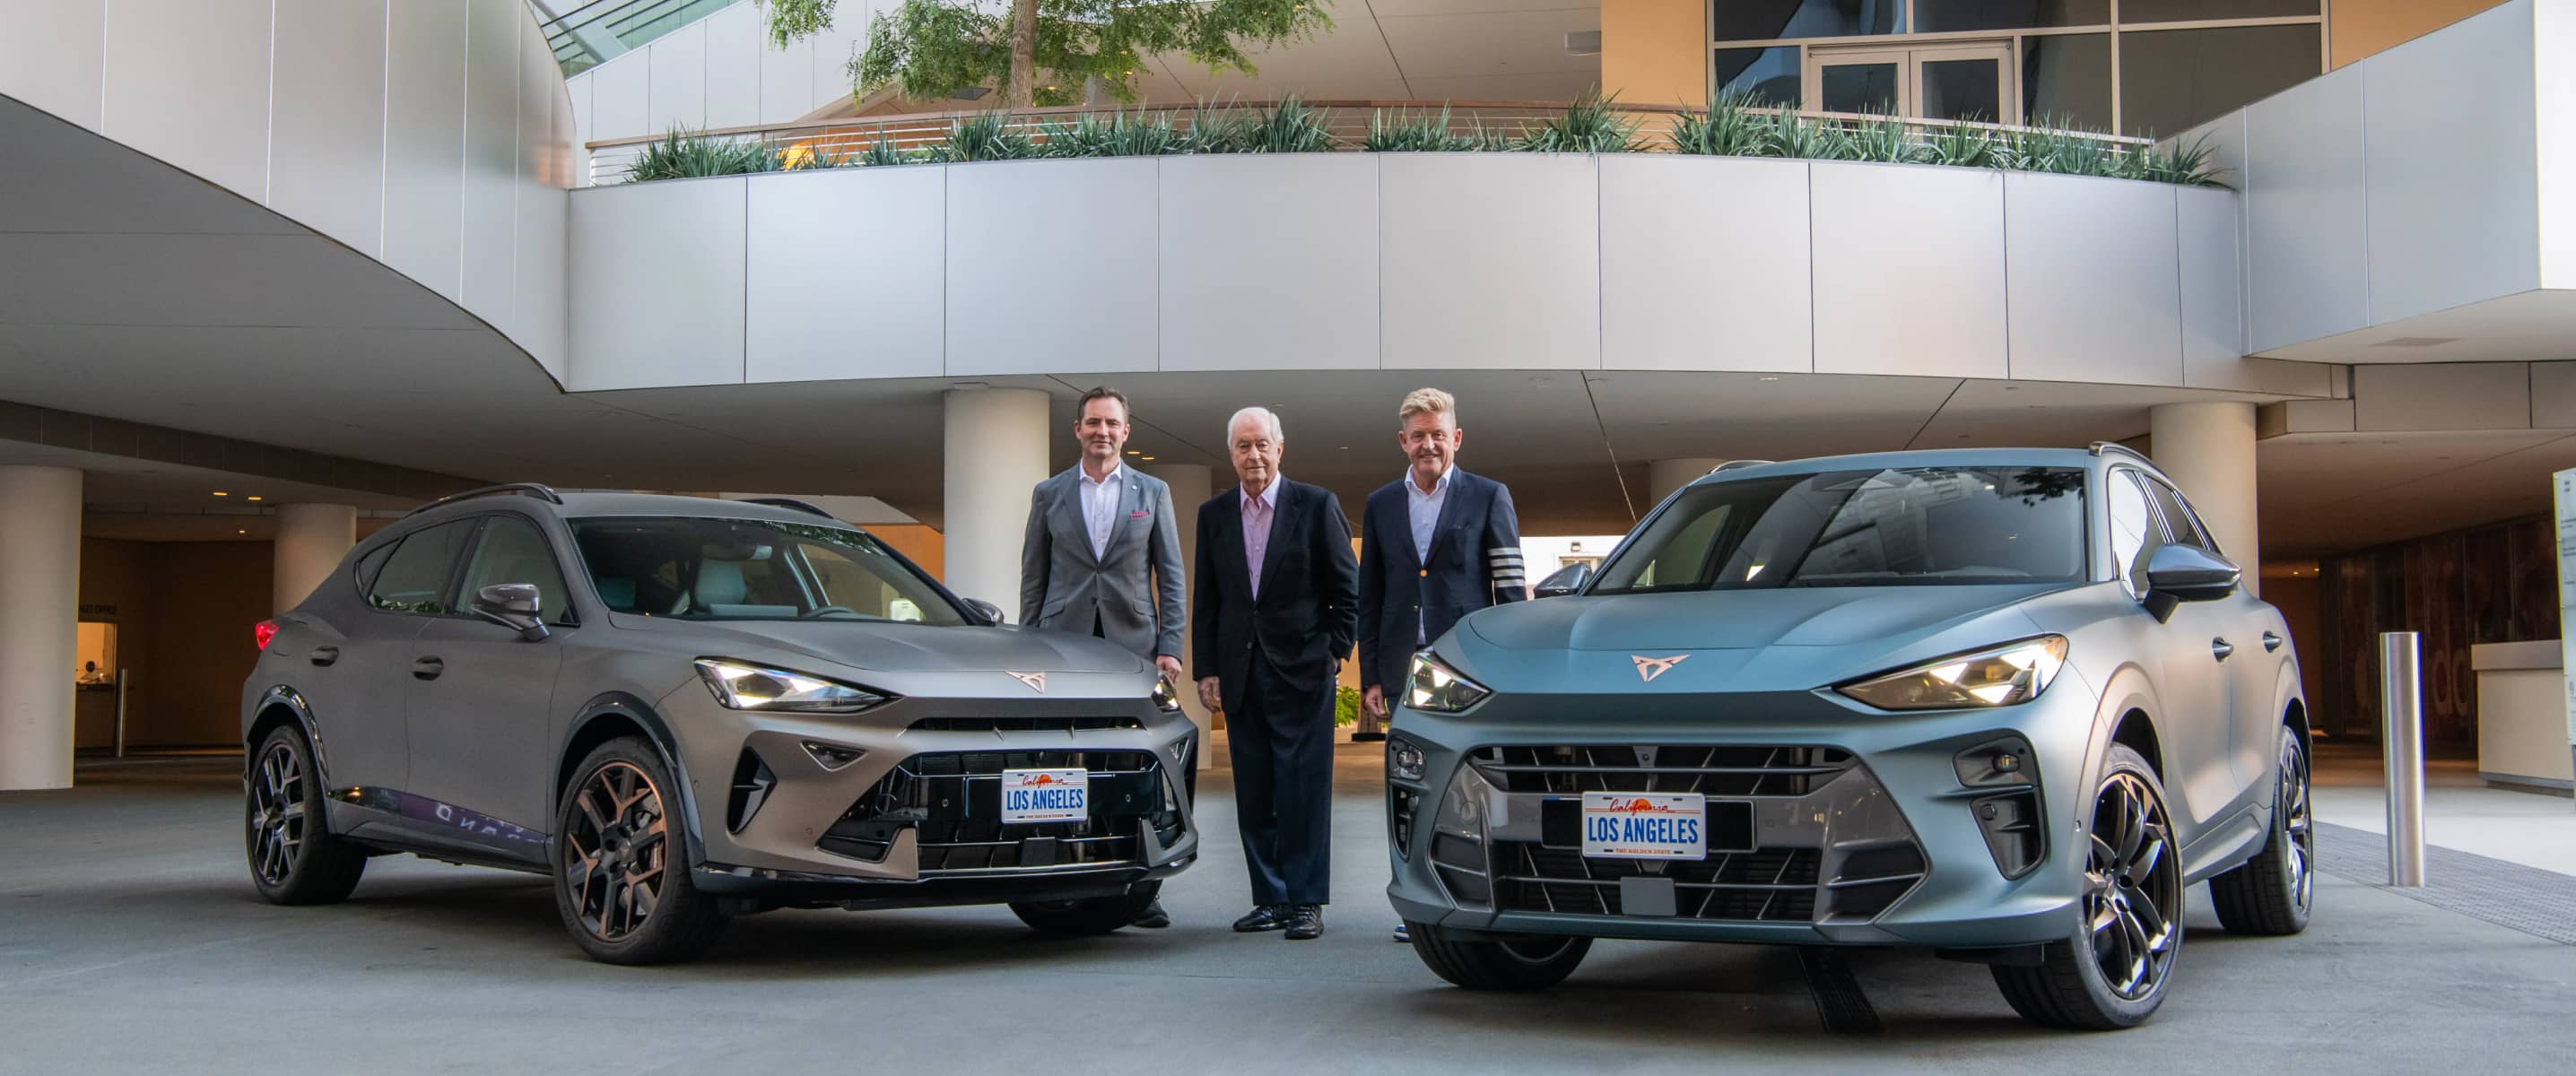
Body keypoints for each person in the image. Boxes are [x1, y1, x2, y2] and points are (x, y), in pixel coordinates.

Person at [1355, 387, 1527, 942]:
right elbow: (1372, 594)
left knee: (1473, 787)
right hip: (1406, 671)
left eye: (1438, 434)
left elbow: (1511, 590)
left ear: (1455, 438)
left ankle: (1486, 898)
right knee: (1409, 787)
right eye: (1417, 435)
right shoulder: (1382, 503)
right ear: (1402, 441)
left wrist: (1515, 668)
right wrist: (1373, 678)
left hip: (1470, 671)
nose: (1428, 444)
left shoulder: (1488, 495)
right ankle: (1418, 905)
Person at [1019, 386, 1188, 930]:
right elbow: (1033, 578)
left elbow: (1172, 577)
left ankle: (1142, 890)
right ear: (1078, 430)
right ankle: (1064, 875)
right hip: (1060, 647)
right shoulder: (1050, 493)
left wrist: (1170, 647)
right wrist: (1025, 649)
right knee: (1059, 763)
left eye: (1112, 423)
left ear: (1126, 431)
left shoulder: (1152, 491)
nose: (1102, 432)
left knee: (1134, 763)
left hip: (1132, 648)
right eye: (1093, 423)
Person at [1193, 406, 1357, 941]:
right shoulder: (1214, 515)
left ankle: (1306, 900)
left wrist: (1334, 651)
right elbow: (1209, 601)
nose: (1253, 455)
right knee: (1255, 790)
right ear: (1231, 453)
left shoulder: (1315, 506)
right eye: (1243, 446)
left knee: (1303, 790)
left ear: (1279, 449)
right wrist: (1207, 668)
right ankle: (1270, 897)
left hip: (1303, 672)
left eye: (1262, 444)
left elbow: (1346, 591)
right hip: (1241, 672)